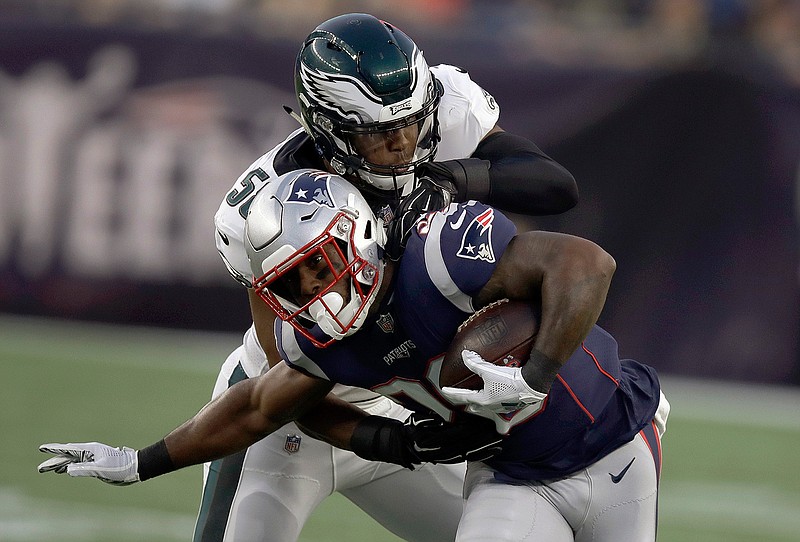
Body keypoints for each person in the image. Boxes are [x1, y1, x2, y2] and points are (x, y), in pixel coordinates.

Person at [39, 169, 669, 541]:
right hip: (510, 478)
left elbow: (586, 263)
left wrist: (536, 374)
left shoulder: (437, 257)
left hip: (612, 443)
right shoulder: (326, 341)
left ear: (353, 235)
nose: (315, 292)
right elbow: (257, 407)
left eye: (317, 267)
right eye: (293, 284)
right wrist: (139, 462)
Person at [204, 11, 577, 542]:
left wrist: (455, 177)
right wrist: (386, 441)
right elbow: (288, 375)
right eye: (379, 133)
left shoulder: (444, 109)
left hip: (408, 399)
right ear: (327, 128)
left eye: (412, 122)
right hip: (296, 412)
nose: (404, 142)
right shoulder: (268, 208)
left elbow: (555, 188)